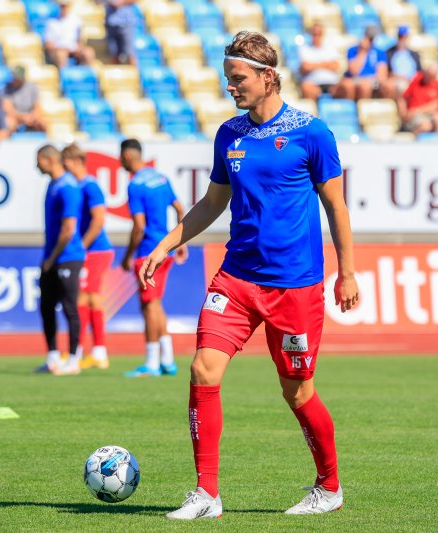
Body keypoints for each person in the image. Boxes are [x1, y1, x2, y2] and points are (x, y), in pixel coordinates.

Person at [136, 31, 359, 519]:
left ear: (268, 77)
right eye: (227, 80)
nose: (231, 88)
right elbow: (214, 203)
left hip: (295, 285)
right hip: (235, 280)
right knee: (202, 369)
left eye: (237, 79)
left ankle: (329, 486)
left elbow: (336, 205)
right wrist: (166, 243)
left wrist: (347, 272)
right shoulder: (229, 135)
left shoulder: (312, 132)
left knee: (297, 391)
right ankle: (207, 494)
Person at [120, 138, 188, 378]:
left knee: (148, 306)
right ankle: (167, 360)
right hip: (165, 249)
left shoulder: (135, 185)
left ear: (127, 156)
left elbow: (139, 226)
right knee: (156, 304)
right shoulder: (160, 178)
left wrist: (128, 255)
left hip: (148, 251)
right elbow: (180, 208)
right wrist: (181, 241)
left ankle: (151, 362)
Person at [34, 145, 86, 376]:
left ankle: (74, 358)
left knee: (69, 307)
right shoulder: (52, 185)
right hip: (52, 257)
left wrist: (53, 257)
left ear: (48, 159)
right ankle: (53, 357)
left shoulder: (68, 187)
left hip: (67, 257)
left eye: (38, 161)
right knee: (46, 306)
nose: (36, 165)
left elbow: (68, 229)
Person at [61, 143, 114, 370]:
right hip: (93, 250)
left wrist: (81, 246)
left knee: (85, 297)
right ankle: (91, 351)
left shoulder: (90, 186)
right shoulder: (80, 185)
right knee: (88, 298)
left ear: (73, 162)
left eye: (65, 164)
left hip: (96, 250)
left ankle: (86, 351)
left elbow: (99, 219)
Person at [334, 25, 388, 101]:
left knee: (366, 86)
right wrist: (363, 51)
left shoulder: (379, 52)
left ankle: (364, 109)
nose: (370, 40)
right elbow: (353, 71)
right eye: (369, 38)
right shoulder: (353, 50)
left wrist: (370, 80)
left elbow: (382, 76)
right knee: (348, 86)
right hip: (355, 80)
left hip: (371, 81)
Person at [45, 0, 96, 69]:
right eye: (62, 6)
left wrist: (79, 48)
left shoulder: (76, 20)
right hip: (59, 50)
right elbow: (49, 44)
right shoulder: (52, 22)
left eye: (66, 6)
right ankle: (63, 76)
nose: (64, 8)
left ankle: (89, 75)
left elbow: (79, 40)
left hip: (74, 49)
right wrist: (62, 49)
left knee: (88, 52)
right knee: (61, 54)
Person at [402, 63, 438, 135]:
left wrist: (417, 111)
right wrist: (404, 113)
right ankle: (413, 142)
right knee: (426, 126)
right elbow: (404, 97)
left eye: (431, 75)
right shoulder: (417, 81)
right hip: (414, 116)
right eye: (427, 73)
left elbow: (436, 105)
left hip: (424, 113)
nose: (428, 76)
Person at [298, 22, 341, 100]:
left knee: (347, 86)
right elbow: (305, 67)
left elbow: (336, 65)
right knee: (306, 88)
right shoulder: (304, 49)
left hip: (332, 83)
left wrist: (313, 65)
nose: (317, 36)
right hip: (313, 84)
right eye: (315, 33)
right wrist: (326, 64)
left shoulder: (331, 47)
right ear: (311, 34)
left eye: (319, 33)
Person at [385, 26, 422, 116]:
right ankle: (404, 116)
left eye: (404, 37)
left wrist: (413, 79)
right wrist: (402, 78)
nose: (402, 39)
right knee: (400, 88)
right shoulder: (389, 53)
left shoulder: (414, 54)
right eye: (401, 37)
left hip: (413, 80)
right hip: (398, 81)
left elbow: (420, 71)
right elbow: (387, 71)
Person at [3, 65, 46, 132]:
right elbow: (8, 109)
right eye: (14, 77)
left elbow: (37, 108)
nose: (15, 79)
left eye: (18, 77)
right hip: (15, 118)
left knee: (43, 123)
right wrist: (21, 117)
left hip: (30, 117)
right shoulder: (7, 88)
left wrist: (32, 117)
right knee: (9, 123)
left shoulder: (32, 87)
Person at [98, 0, 138, 65]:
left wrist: (122, 2)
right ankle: (115, 74)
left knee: (130, 54)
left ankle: (134, 73)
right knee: (113, 54)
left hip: (126, 23)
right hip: (111, 23)